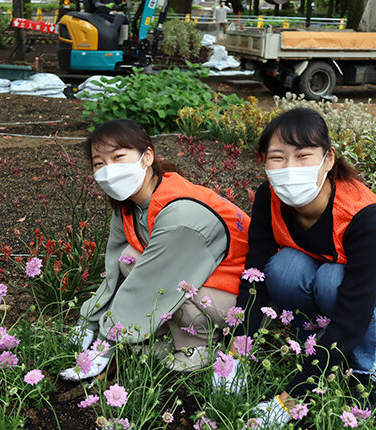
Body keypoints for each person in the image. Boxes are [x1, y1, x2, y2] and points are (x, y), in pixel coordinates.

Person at [217, 108, 376, 430]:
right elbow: (254, 274)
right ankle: (312, 348)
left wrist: (288, 401)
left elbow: (354, 308)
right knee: (284, 268)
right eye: (277, 157)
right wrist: (236, 351)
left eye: (303, 156)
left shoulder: (364, 215)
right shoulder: (268, 198)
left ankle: (363, 372)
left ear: (328, 159)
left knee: (332, 281)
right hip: (335, 278)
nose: (289, 168)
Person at [60, 119, 251, 381]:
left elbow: (151, 281)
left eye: (118, 157)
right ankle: (160, 332)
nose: (109, 170)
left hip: (241, 299)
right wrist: (89, 321)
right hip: (202, 276)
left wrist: (105, 344)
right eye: (99, 163)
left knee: (165, 285)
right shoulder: (130, 204)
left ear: (146, 156)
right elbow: (115, 266)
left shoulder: (180, 213)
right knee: (128, 259)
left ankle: (199, 346)